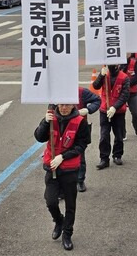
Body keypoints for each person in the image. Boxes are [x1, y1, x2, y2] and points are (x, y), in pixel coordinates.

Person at [34, 103, 90, 251]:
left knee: (70, 204)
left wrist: (63, 157)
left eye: (68, 105)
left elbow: (81, 145)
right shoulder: (51, 118)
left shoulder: (80, 122)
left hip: (69, 169)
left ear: (73, 105)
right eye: (62, 105)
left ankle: (67, 234)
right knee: (51, 201)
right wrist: (45, 122)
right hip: (52, 168)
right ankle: (59, 221)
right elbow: (39, 137)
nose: (64, 108)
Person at [92, 65, 130, 169]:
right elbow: (95, 86)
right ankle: (104, 158)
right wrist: (101, 75)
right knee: (104, 135)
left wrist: (115, 107)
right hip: (105, 110)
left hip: (118, 112)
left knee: (118, 135)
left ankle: (117, 155)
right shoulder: (105, 74)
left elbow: (125, 95)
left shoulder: (124, 77)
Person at [76, 87, 101, 192]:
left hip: (79, 129)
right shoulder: (57, 93)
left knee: (80, 155)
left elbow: (97, 100)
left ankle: (80, 180)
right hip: (62, 130)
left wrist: (87, 110)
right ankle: (62, 186)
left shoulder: (81, 92)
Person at [120, 53, 137, 139]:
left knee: (135, 112)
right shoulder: (118, 64)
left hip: (132, 92)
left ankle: (136, 127)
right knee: (121, 114)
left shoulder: (135, 62)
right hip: (120, 92)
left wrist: (127, 83)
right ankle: (123, 133)